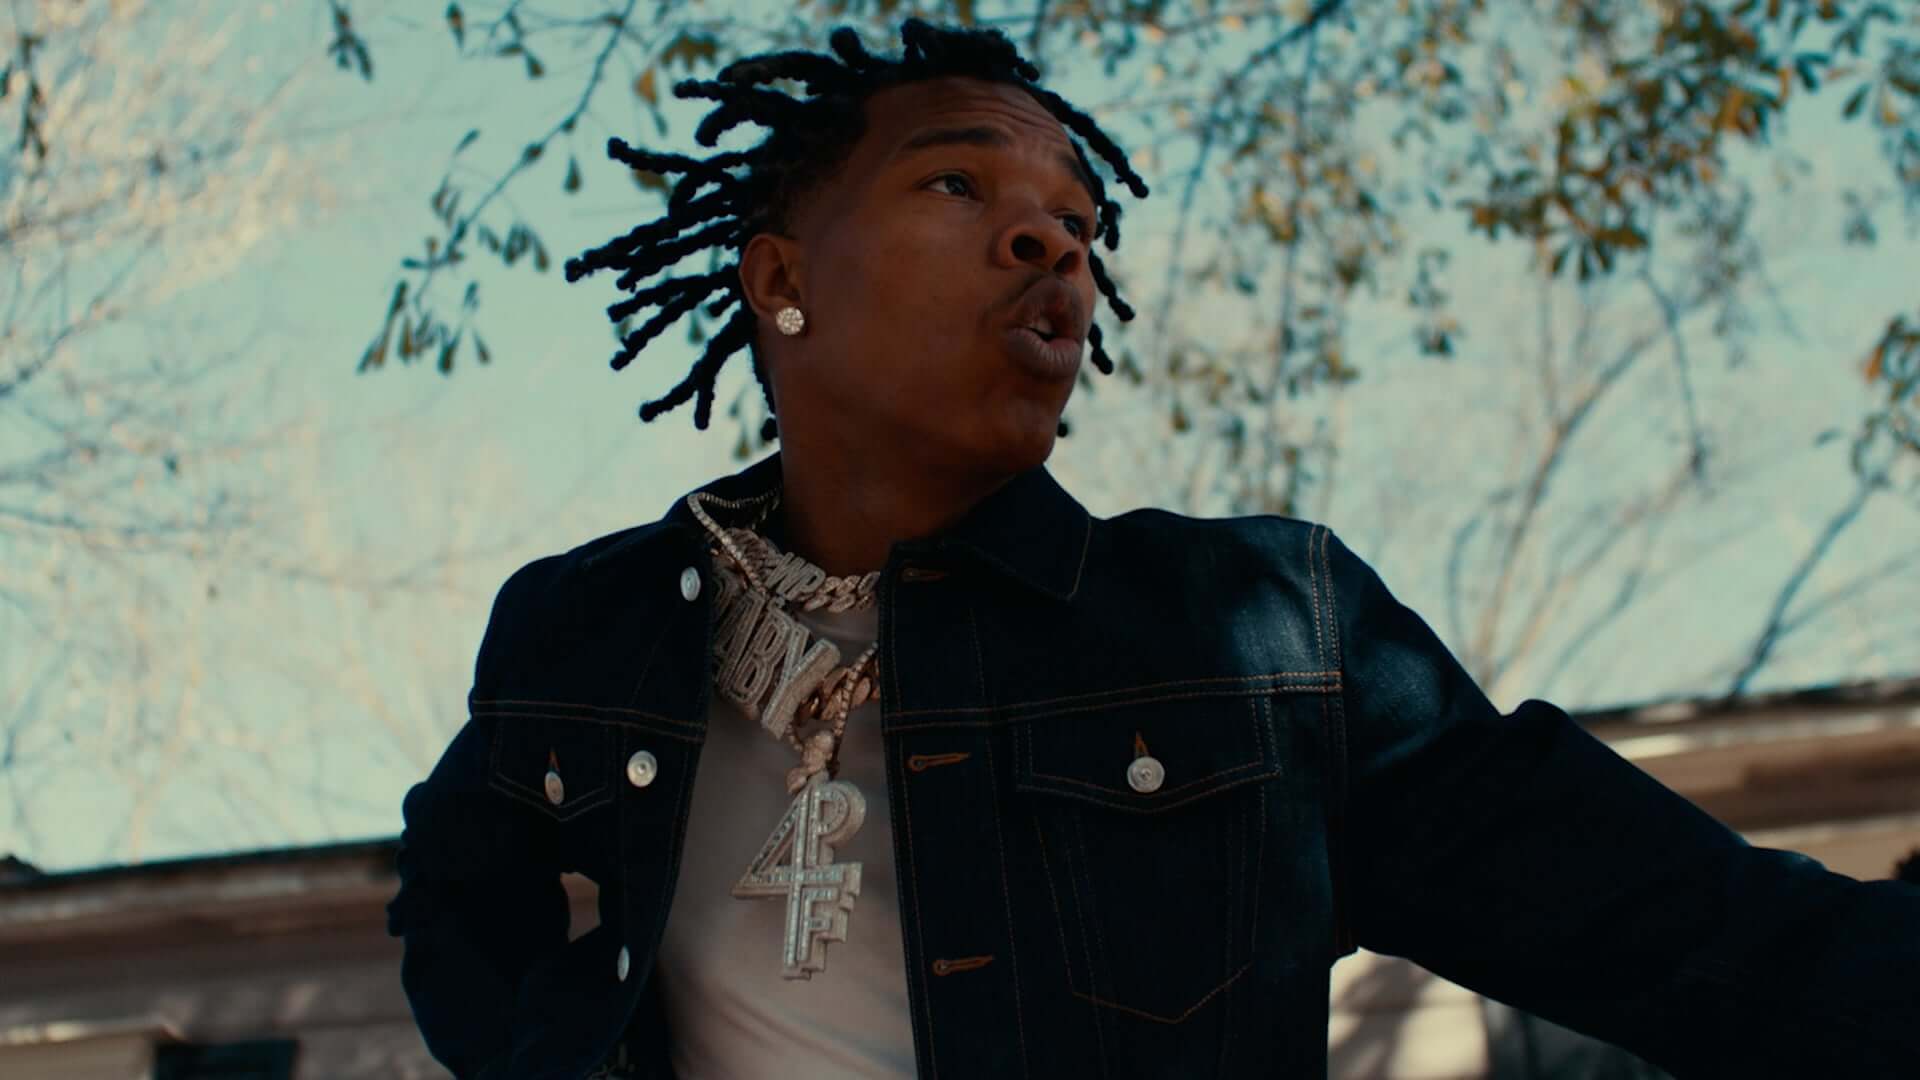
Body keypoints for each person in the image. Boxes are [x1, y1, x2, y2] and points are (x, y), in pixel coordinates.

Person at [385, 18, 1920, 1080]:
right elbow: (452, 904)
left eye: (1079, 220)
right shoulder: (582, 636)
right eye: (960, 183)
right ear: (780, 275)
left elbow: (1706, 942)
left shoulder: (1265, 636)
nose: (1053, 242)